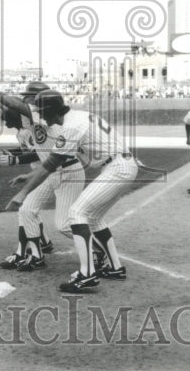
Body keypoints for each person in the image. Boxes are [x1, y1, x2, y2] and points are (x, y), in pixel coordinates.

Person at [17, 90, 138, 294]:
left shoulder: (71, 126)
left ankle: (87, 274)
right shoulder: (78, 116)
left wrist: (23, 192)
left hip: (117, 167)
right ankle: (115, 268)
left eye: (42, 111)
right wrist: (30, 177)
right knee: (93, 218)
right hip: (121, 164)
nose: (41, 116)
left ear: (51, 110)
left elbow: (51, 164)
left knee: (76, 213)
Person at [0, 69, 54, 267]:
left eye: (6, 116)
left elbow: (39, 153)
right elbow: (6, 106)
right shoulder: (24, 127)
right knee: (30, 210)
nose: (3, 119)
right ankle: (43, 243)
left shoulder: (35, 121)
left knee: (27, 209)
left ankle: (25, 252)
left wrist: (11, 159)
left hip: (46, 172)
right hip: (42, 171)